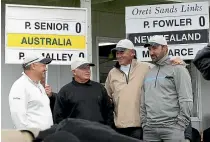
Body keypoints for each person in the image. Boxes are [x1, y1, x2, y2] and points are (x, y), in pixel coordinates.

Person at [105, 39, 183, 140]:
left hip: (141, 127)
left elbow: (164, 68)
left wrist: (179, 62)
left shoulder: (147, 67)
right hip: (119, 127)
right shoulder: (112, 73)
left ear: (132, 53)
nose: (118, 55)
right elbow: (107, 97)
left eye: (122, 52)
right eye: (117, 53)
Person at [141, 35, 193, 142]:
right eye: (149, 49)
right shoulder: (149, 73)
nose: (151, 52)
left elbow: (186, 99)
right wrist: (144, 123)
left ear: (165, 48)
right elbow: (143, 101)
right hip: (150, 130)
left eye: (155, 48)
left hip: (173, 129)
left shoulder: (178, 69)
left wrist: (180, 125)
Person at [53, 58, 114, 127]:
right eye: (83, 68)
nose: (87, 71)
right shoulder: (65, 91)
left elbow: (108, 111)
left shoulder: (99, 88)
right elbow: (58, 116)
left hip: (99, 132)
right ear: (74, 72)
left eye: (88, 68)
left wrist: (108, 129)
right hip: (75, 134)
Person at [9, 52, 54, 130]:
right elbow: (18, 118)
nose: (46, 69)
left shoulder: (39, 85)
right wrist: (28, 137)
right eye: (43, 65)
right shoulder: (20, 86)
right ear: (33, 66)